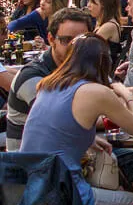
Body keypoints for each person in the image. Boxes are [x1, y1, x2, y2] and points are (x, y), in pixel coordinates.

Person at [20, 34, 133, 205]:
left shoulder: (48, 84)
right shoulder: (96, 91)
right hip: (63, 193)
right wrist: (126, 94)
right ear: (103, 63)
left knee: (114, 195)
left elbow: (59, 127)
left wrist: (89, 139)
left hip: (31, 186)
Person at [6, 8, 93, 151]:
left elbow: (111, 91)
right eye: (67, 40)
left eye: (82, 41)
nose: (75, 47)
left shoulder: (84, 66)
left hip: (69, 151)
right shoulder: (32, 75)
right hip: (33, 164)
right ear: (51, 39)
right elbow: (65, 121)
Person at [88, 0, 124, 65]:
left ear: (103, 4)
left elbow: (90, 50)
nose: (88, 5)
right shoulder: (101, 23)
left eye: (92, 2)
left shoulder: (109, 26)